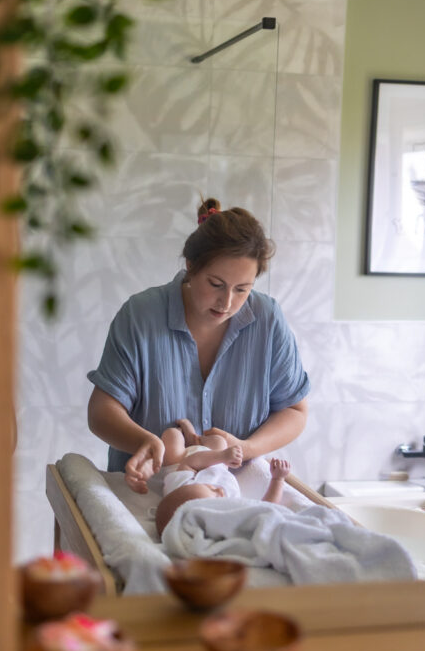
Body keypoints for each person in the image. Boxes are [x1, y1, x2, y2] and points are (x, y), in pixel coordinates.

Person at [87, 196, 309, 478]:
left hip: (232, 492)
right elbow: (102, 411)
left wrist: (246, 448)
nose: (226, 302)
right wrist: (146, 442)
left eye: (242, 289)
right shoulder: (140, 316)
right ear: (191, 266)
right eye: (216, 284)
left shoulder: (268, 319)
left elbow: (294, 410)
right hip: (145, 489)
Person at [154, 457, 292, 538]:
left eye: (210, 486)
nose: (220, 489)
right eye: (215, 494)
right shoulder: (234, 516)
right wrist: (278, 480)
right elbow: (266, 508)